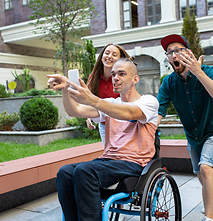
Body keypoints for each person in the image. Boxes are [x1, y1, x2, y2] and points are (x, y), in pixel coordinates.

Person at [47, 58, 159, 221]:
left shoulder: (148, 102)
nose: (115, 78)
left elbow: (127, 113)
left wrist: (93, 100)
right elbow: (75, 110)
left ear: (135, 79)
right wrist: (65, 88)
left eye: (121, 74)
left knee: (85, 170)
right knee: (65, 172)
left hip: (134, 163)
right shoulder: (108, 103)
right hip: (108, 160)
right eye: (113, 74)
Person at [157, 34, 213, 221]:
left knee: (205, 167)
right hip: (192, 135)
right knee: (199, 172)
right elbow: (159, 110)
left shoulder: (207, 71)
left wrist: (198, 72)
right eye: (169, 52)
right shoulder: (168, 82)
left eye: (177, 50)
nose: (173, 55)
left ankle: (209, 217)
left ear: (188, 53)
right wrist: (149, 130)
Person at [86, 44, 130, 144]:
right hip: (103, 124)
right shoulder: (93, 77)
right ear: (101, 57)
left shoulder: (122, 78)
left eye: (114, 55)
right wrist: (88, 116)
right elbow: (90, 99)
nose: (109, 56)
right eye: (107, 53)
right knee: (109, 154)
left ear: (119, 60)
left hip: (122, 123)